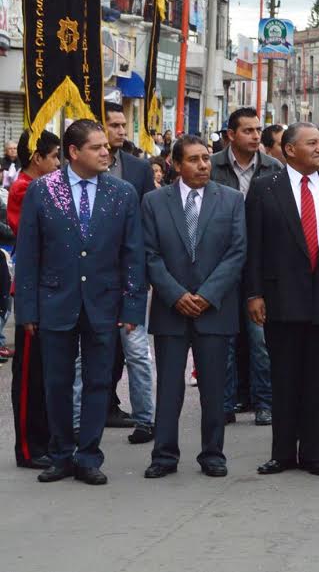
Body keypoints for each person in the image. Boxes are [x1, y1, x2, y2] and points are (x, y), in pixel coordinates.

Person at [15, 120, 147, 485]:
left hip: (104, 304)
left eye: (107, 146)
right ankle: (60, 455)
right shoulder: (43, 191)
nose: (107, 152)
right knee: (55, 383)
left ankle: (89, 456)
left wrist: (133, 306)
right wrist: (27, 308)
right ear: (74, 152)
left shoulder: (122, 193)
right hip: (55, 302)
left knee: (98, 383)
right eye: (97, 147)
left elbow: (133, 255)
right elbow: (28, 255)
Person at [247, 122, 319, 477]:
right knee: (283, 379)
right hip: (280, 298)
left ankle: (313, 454)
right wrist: (253, 293)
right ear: (290, 149)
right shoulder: (265, 189)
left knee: (317, 381)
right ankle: (282, 453)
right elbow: (253, 246)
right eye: (312, 143)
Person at [141, 137, 246, 479]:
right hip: (171, 309)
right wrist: (175, 295)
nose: (204, 165)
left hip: (213, 308)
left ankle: (213, 453)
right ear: (175, 163)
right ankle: (164, 455)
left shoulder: (230, 200)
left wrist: (206, 294)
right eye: (194, 160)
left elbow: (237, 252)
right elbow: (150, 255)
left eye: (206, 158)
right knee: (169, 387)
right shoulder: (154, 202)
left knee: (214, 388)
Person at [210, 107, 283, 427]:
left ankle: (264, 402)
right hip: (220, 264)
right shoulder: (211, 167)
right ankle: (224, 403)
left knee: (261, 339)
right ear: (230, 135)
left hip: (261, 265)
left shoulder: (274, 168)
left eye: (258, 130)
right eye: (248, 131)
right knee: (223, 339)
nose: (256, 136)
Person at [8, 130, 60, 470]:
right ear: (36, 157)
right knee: (29, 376)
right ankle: (28, 446)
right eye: (54, 157)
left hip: (52, 291)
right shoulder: (27, 189)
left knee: (47, 373)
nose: (58, 164)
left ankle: (46, 438)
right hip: (34, 290)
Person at [103, 103, 155, 439]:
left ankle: (145, 419)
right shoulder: (76, 169)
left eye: (124, 125)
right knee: (95, 349)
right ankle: (97, 410)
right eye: (115, 124)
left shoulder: (138, 170)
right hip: (92, 276)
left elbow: (149, 221)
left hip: (130, 274)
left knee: (134, 350)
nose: (122, 131)